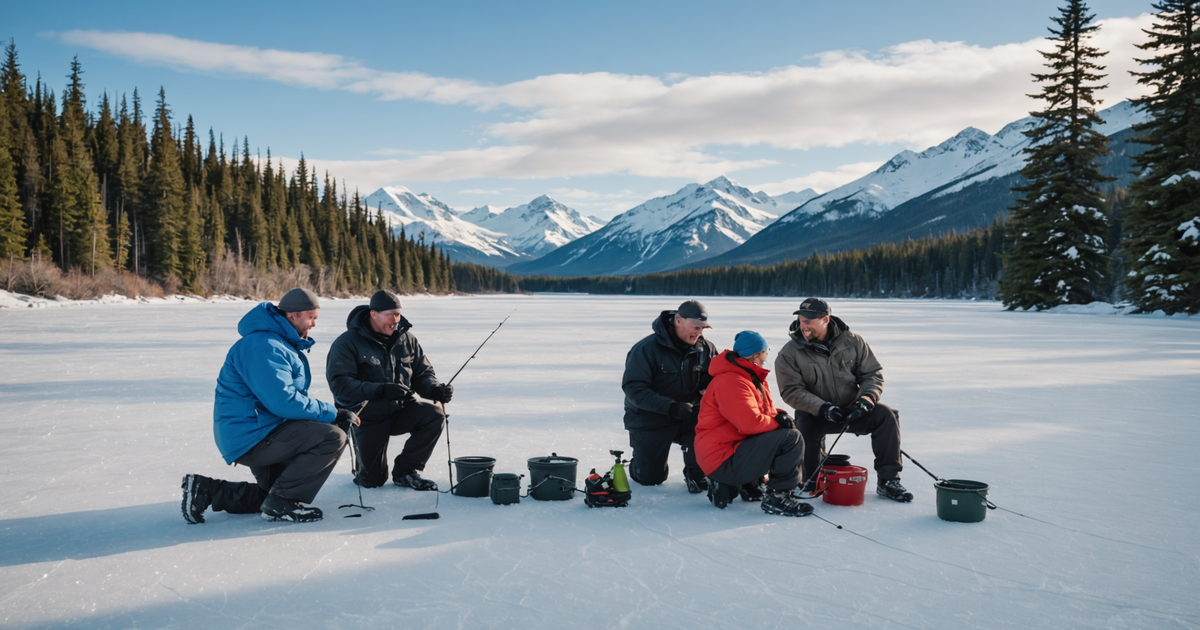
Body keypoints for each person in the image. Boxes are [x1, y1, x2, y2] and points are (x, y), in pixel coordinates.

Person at [182, 288, 358, 524]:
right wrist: (331, 413)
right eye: (311, 317)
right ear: (294, 315)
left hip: (262, 429)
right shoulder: (263, 346)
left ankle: (206, 490)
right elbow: (283, 401)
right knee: (332, 437)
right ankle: (282, 505)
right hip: (253, 435)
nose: (314, 324)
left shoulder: (276, 342)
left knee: (270, 494)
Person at [774, 298, 912, 502]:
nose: (804, 326)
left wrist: (867, 398)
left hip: (852, 409)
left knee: (886, 415)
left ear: (825, 319)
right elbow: (791, 391)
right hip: (815, 413)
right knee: (804, 425)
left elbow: (872, 373)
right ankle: (810, 481)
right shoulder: (790, 353)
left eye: (810, 321)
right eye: (802, 321)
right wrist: (823, 408)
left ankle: (888, 481)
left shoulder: (853, 342)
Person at [325, 290, 453, 491]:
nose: (395, 320)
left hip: (401, 409)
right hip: (366, 416)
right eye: (390, 314)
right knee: (372, 481)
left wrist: (435, 390)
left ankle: (406, 471)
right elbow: (340, 385)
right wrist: (381, 390)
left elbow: (422, 373)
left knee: (434, 414)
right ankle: (364, 468)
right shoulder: (348, 342)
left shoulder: (406, 339)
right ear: (373, 314)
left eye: (398, 314)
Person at [696, 331, 813, 517]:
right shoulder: (732, 380)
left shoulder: (747, 376)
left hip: (730, 450)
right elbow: (750, 423)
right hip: (722, 458)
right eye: (766, 351)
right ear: (757, 354)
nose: (767, 355)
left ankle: (750, 484)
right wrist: (777, 423)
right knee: (792, 439)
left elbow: (761, 413)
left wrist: (780, 417)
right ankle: (778, 498)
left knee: (782, 430)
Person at [621, 299, 717, 493]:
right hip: (650, 416)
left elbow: (715, 380)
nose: (699, 333)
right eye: (695, 327)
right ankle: (639, 461)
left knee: (709, 428)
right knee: (650, 479)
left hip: (689, 415)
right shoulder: (646, 349)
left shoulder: (706, 349)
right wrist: (670, 406)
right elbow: (634, 389)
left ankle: (695, 473)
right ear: (678, 321)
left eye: (702, 329)